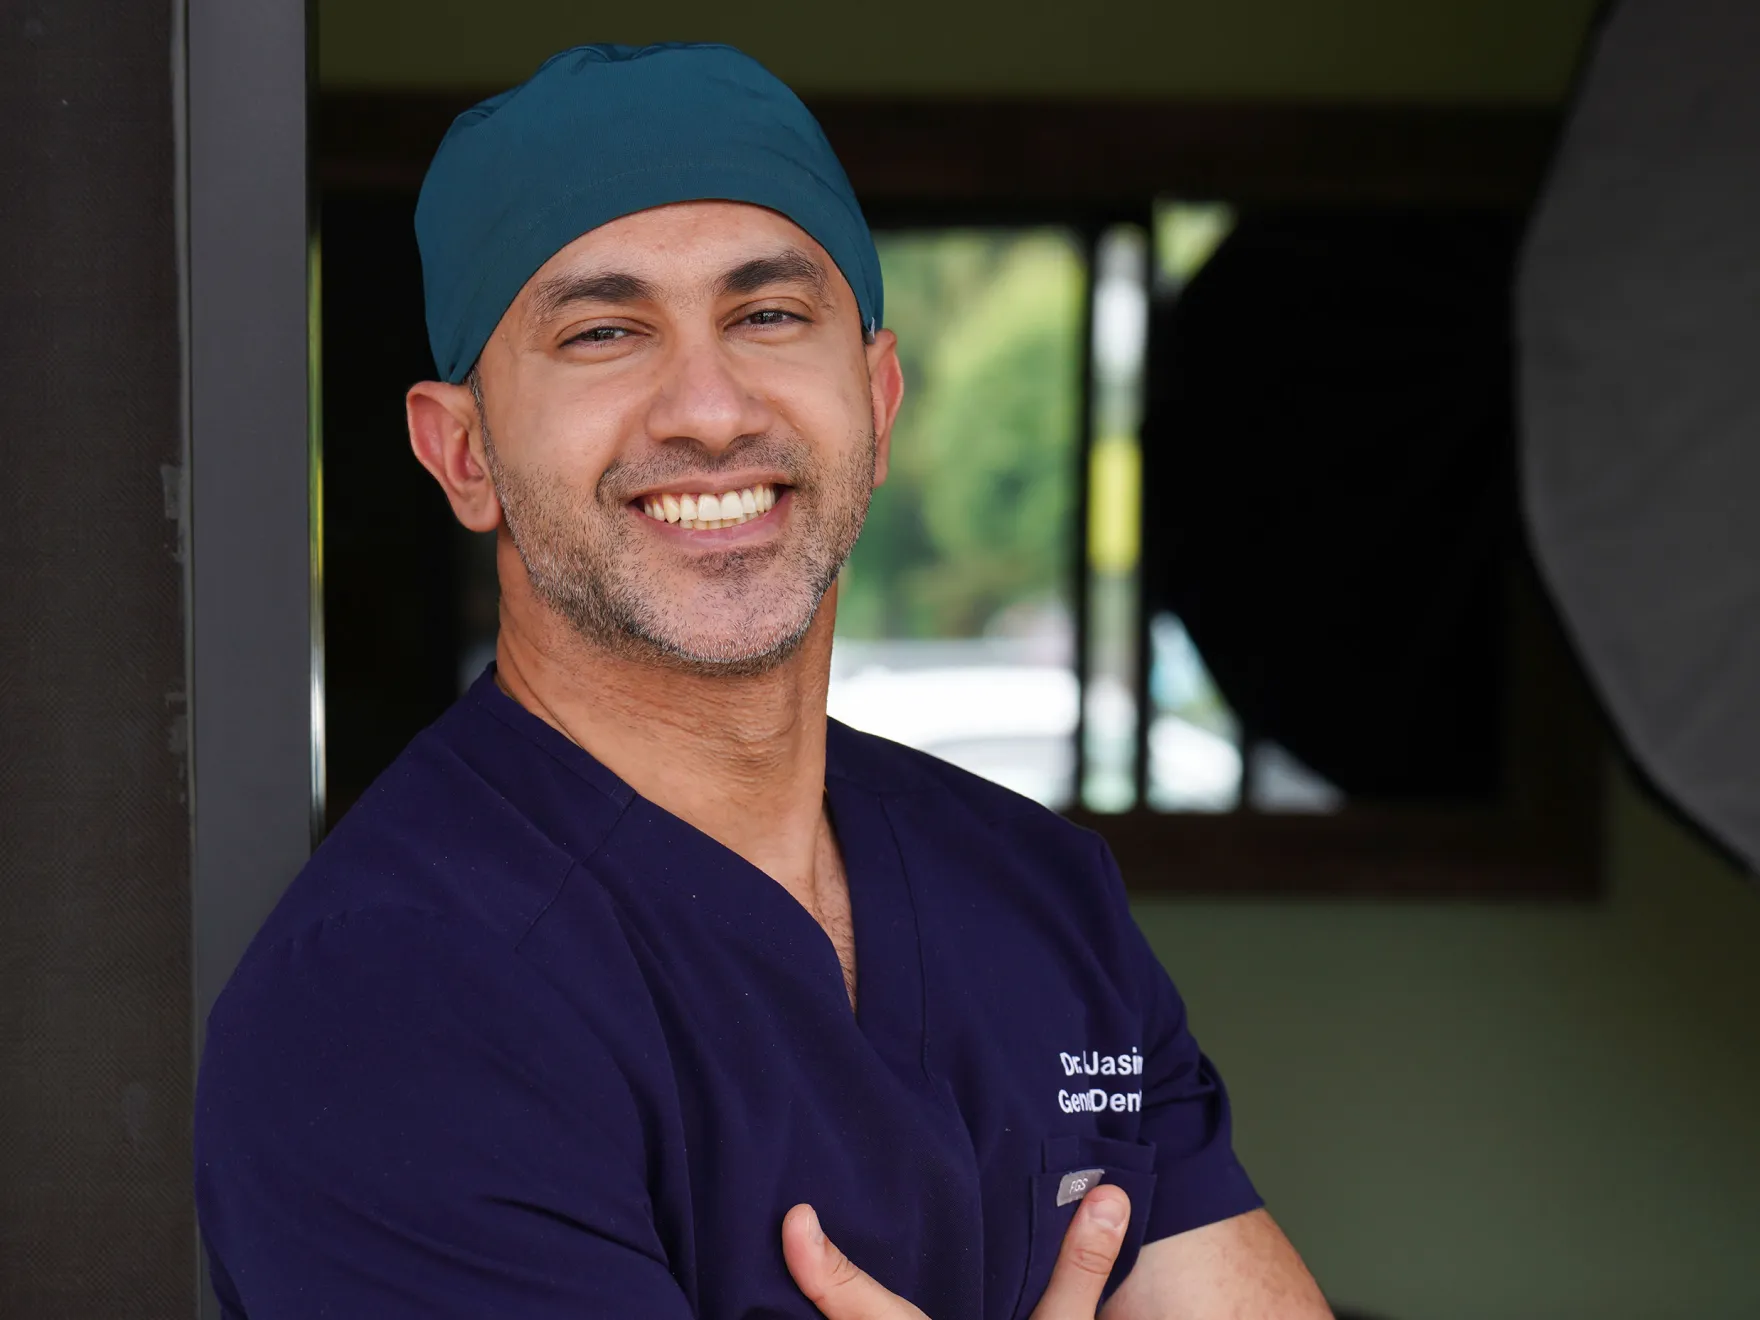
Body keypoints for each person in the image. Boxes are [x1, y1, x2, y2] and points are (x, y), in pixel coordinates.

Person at [194, 42, 1332, 1320]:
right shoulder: (390, 1001)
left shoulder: (1040, 899)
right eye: (604, 331)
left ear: (879, 398)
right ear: (462, 454)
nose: (709, 408)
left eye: (769, 315)